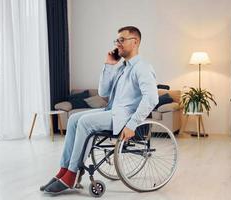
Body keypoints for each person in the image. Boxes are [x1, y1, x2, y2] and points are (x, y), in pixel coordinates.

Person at [41, 26, 159, 195]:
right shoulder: (121, 67)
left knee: (85, 122)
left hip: (124, 117)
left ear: (135, 42)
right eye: (116, 40)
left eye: (121, 40)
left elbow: (151, 98)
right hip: (111, 111)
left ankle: (73, 174)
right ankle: (64, 169)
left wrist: (132, 125)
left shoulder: (142, 67)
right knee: (74, 118)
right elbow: (103, 92)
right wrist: (109, 65)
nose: (117, 44)